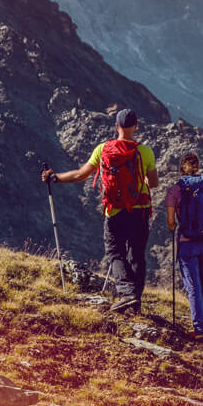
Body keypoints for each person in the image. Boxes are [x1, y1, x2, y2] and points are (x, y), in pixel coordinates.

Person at [43, 108, 158, 313]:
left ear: (116, 126)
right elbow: (154, 183)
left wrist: (55, 178)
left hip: (114, 211)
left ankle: (126, 294)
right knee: (137, 254)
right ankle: (133, 300)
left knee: (115, 253)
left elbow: (80, 175)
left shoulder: (103, 149)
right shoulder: (145, 151)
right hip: (139, 210)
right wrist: (141, 178)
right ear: (135, 127)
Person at [165, 152, 203, 343]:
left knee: (193, 287)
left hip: (188, 244)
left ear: (181, 168)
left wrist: (176, 227)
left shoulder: (175, 190)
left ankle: (200, 331)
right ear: (198, 167)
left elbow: (171, 222)